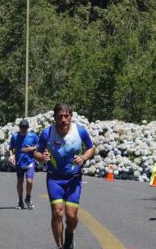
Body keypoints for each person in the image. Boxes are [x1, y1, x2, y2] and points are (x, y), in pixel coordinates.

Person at [35, 104, 95, 249]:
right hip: (54, 178)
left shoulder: (80, 131)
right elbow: (36, 153)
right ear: (55, 118)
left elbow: (92, 148)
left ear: (71, 117)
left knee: (71, 216)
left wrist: (84, 158)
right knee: (57, 212)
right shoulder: (47, 133)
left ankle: (69, 234)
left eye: (66, 116)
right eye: (60, 116)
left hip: (73, 178)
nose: (63, 120)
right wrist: (42, 157)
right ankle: (60, 246)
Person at [9, 119, 39, 209]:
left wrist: (31, 149)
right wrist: (11, 156)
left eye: (25, 127)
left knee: (29, 181)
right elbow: (11, 148)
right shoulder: (15, 136)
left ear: (27, 128)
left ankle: (28, 198)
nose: (23, 129)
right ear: (19, 127)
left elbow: (40, 145)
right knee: (20, 182)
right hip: (19, 163)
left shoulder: (32, 136)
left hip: (30, 161)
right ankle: (20, 201)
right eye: (22, 127)